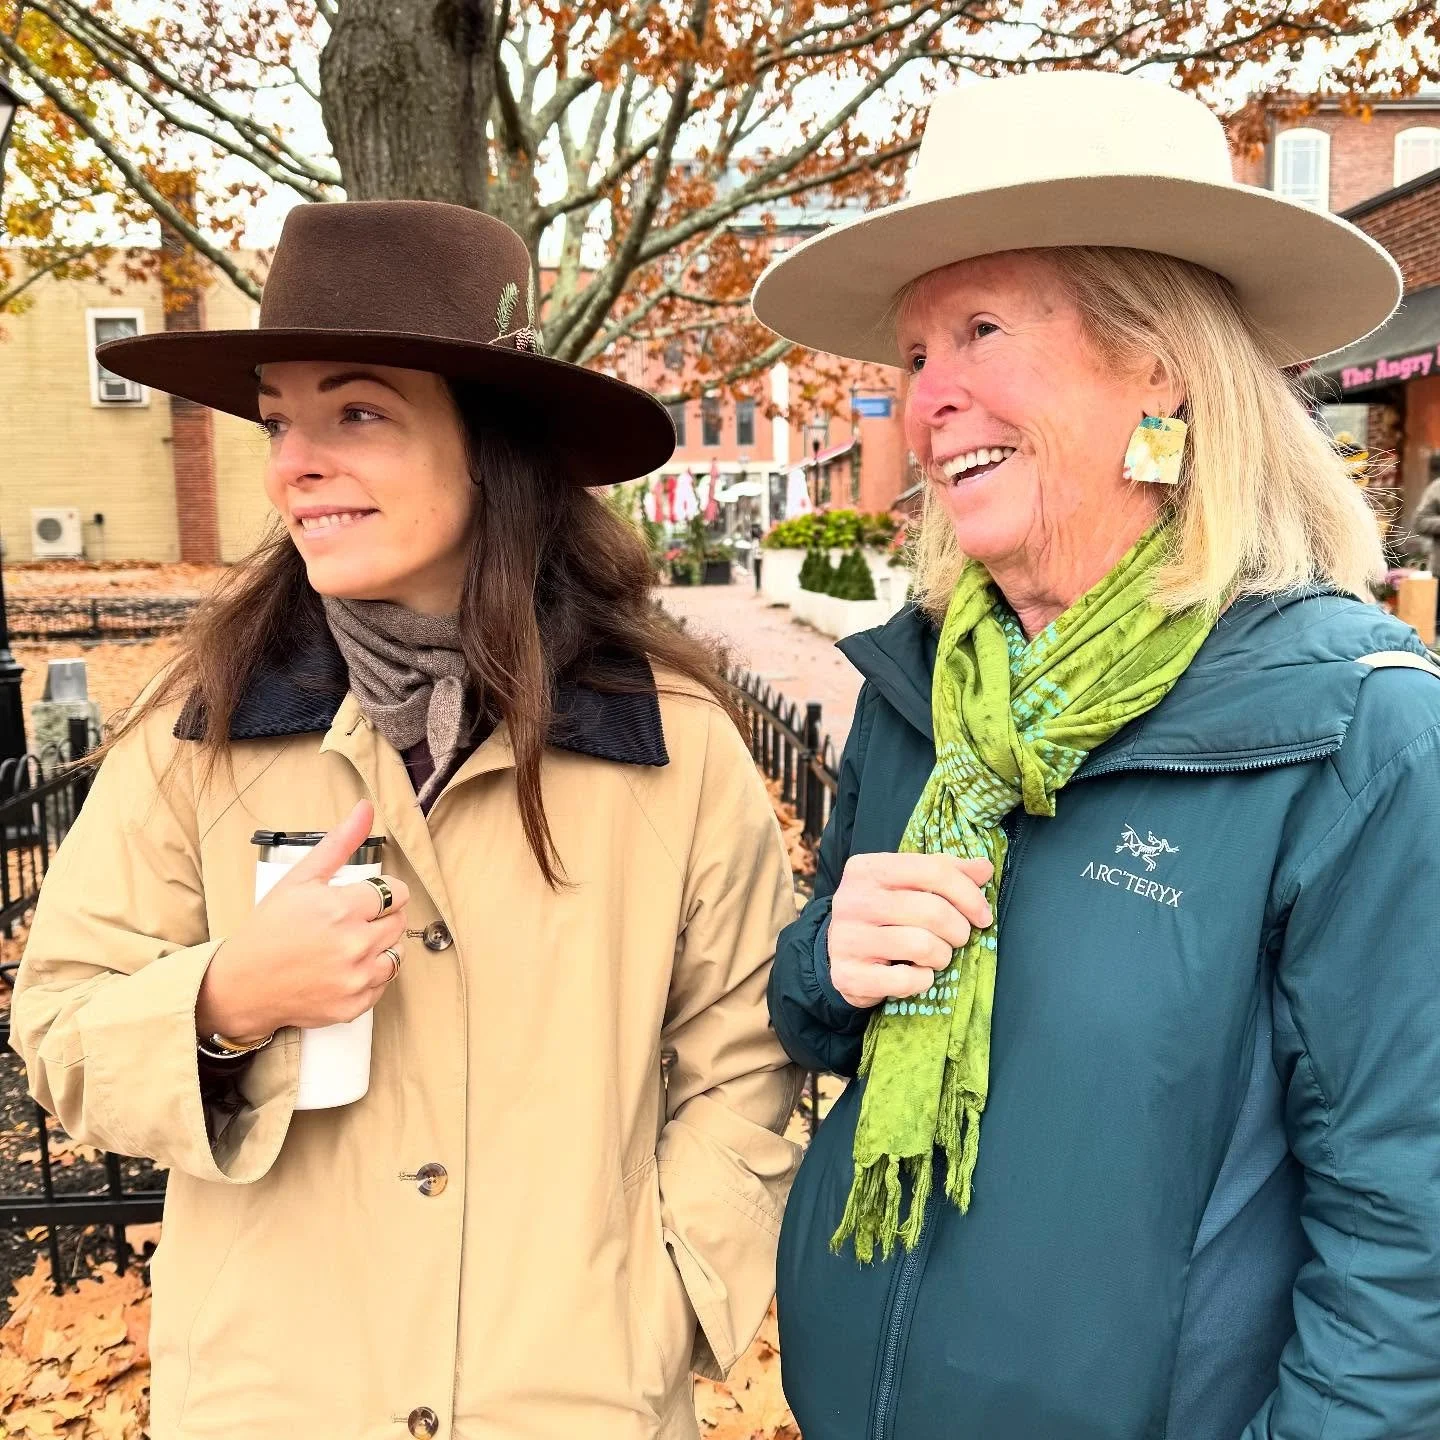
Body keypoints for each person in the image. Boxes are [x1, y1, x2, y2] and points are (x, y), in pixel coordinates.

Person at [12, 200, 802, 1438]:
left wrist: (667, 1298)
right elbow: (58, 1022)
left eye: (357, 413)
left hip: (571, 1402)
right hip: (278, 1404)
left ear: (492, 444)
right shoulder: (204, 736)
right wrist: (222, 1003)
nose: (295, 464)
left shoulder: (674, 747)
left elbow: (747, 1056)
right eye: (281, 422)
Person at [750, 70, 1440, 1439]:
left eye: (982, 328)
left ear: (1161, 362)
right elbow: (817, 1015)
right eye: (915, 351)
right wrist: (824, 966)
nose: (925, 394)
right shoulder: (923, 692)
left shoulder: (1358, 735)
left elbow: (1409, 1236)